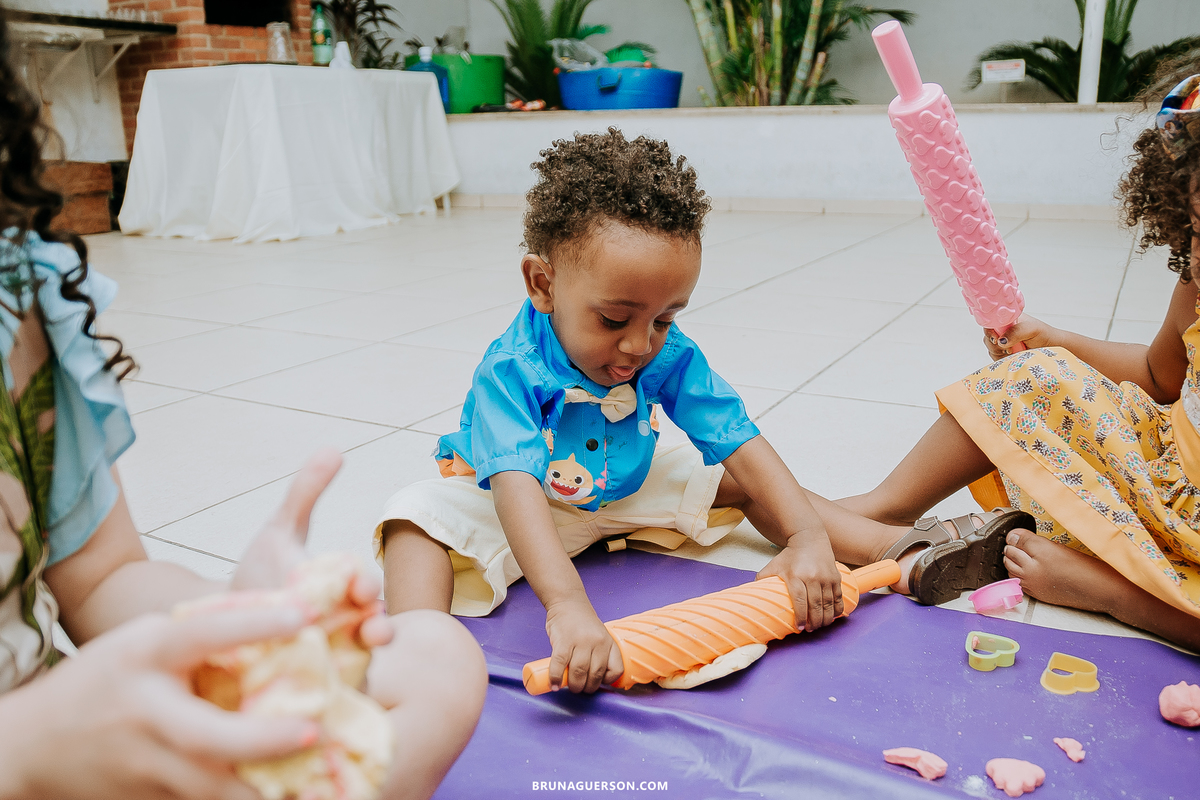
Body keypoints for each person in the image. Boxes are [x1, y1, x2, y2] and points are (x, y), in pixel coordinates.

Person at [0, 7, 486, 798]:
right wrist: (29, 747)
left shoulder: (22, 305)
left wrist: (245, 617)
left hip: (82, 727)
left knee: (437, 654)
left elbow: (101, 580)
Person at [378, 127, 854, 695]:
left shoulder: (663, 349)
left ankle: (905, 549)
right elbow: (513, 488)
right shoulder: (508, 370)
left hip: (624, 486)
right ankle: (413, 660)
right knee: (413, 515)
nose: (639, 345)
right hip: (530, 507)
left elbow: (733, 434)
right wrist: (568, 606)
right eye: (613, 320)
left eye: (664, 319)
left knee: (742, 480)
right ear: (542, 283)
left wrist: (805, 537)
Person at [819, 67, 1200, 652]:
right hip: (1164, 464)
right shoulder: (1196, 285)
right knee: (1033, 376)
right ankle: (886, 508)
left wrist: (1105, 592)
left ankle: (1076, 556)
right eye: (1198, 227)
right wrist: (1055, 342)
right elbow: (1157, 377)